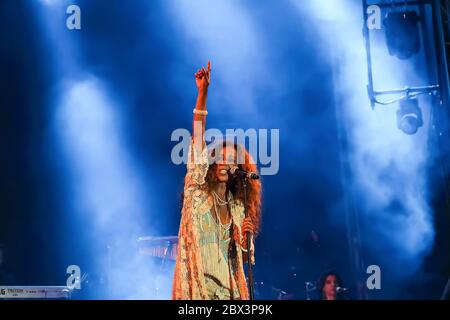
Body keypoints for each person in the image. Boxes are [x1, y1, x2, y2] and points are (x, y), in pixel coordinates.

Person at [172, 61, 262, 300]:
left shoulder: (237, 206)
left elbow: (243, 258)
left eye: (231, 160)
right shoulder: (197, 190)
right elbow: (198, 137)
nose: (225, 162)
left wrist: (246, 239)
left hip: (228, 292)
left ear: (238, 169)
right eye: (220, 157)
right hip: (198, 289)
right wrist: (202, 94)